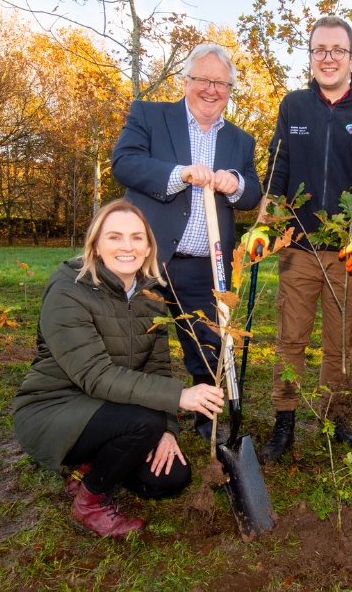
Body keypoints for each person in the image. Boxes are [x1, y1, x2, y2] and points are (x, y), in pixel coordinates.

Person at [12, 199, 226, 538]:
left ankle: (89, 469)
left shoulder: (151, 294)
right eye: (114, 237)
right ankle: (90, 503)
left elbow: (157, 368)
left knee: (170, 479)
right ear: (96, 245)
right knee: (145, 421)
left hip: (114, 407)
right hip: (54, 408)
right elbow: (95, 375)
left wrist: (168, 431)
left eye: (137, 237)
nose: (127, 246)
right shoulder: (68, 290)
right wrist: (179, 398)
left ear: (148, 247)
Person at [254, 16, 352, 463]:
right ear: (310, 57)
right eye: (319, 50)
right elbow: (278, 168)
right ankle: (285, 425)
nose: (328, 57)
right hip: (298, 248)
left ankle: (336, 421)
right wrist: (265, 221)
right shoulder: (293, 106)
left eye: (338, 49)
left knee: (341, 342)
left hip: (350, 255)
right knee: (289, 339)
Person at [111, 44, 262, 442]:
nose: (211, 89)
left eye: (221, 83)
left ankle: (207, 428)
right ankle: (135, 421)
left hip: (204, 265)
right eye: (203, 80)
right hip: (146, 257)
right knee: (133, 342)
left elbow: (251, 194)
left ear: (230, 89)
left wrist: (237, 184)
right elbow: (123, 162)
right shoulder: (149, 115)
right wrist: (179, 174)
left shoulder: (241, 141)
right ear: (186, 81)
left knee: (208, 347)